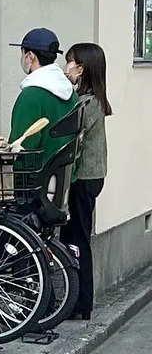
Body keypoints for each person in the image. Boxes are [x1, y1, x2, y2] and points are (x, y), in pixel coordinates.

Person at [62, 42, 109, 320]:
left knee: (78, 238)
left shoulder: (87, 103)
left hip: (84, 179)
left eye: (70, 62)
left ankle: (82, 302)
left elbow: (70, 132)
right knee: (75, 237)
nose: (66, 67)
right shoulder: (94, 100)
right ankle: (78, 301)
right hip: (91, 177)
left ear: (82, 68)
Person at [10, 27, 78, 173]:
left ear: (30, 56)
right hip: (64, 178)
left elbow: (23, 147)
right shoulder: (71, 92)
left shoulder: (31, 96)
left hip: (35, 181)